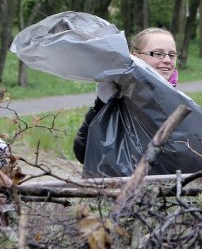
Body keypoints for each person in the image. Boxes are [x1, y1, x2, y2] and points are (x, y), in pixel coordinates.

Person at [73, 27, 179, 164]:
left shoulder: (179, 103)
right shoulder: (116, 96)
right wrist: (102, 104)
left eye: (172, 55)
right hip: (117, 184)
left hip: (164, 184)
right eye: (158, 54)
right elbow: (83, 152)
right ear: (136, 56)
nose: (167, 60)